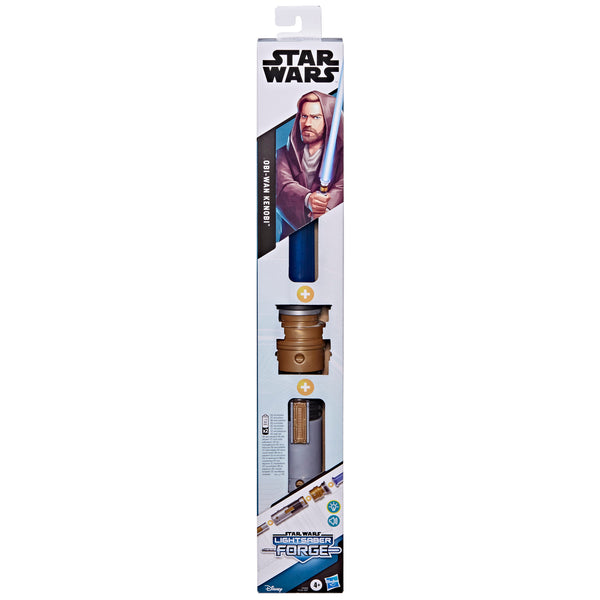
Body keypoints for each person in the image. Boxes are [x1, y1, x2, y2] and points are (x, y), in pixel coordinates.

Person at [276, 91, 343, 240]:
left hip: (331, 237)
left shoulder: (343, 157)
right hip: (291, 241)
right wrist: (308, 199)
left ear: (328, 120)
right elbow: (280, 185)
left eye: (316, 117)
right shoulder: (283, 155)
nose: (307, 123)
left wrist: (327, 206)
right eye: (304, 116)